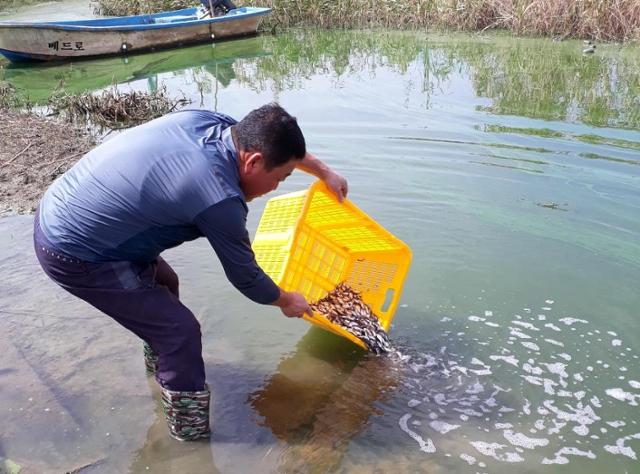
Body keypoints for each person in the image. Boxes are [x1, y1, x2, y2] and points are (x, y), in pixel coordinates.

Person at [33, 104, 348, 441]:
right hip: (74, 250)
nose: (275, 187)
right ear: (253, 162)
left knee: (165, 285)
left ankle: (162, 378)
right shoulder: (220, 197)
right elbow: (246, 278)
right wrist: (286, 300)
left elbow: (279, 146)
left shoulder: (212, 123)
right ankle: (188, 436)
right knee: (179, 332)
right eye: (280, 177)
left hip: (64, 208)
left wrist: (323, 172)